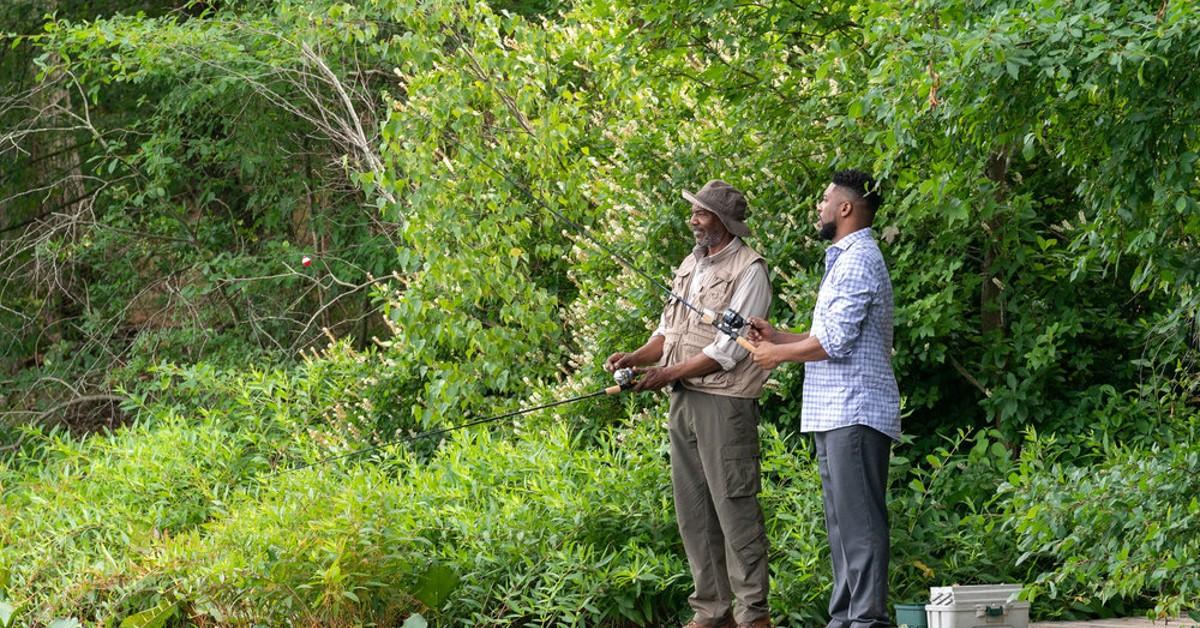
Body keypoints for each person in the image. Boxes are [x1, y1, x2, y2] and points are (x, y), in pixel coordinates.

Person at [604, 180, 773, 628]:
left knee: (735, 510)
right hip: (683, 402)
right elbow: (667, 333)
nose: (693, 220)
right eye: (694, 212)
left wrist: (667, 375)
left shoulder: (750, 269)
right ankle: (711, 613)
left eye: (700, 213)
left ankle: (752, 615)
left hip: (724, 405)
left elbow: (730, 349)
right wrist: (635, 359)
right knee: (693, 512)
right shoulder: (690, 264)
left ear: (723, 221)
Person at [747, 169, 900, 628]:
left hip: (855, 409)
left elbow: (834, 343)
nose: (819, 206)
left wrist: (777, 354)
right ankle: (844, 617)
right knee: (841, 526)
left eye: (825, 198)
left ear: (846, 208)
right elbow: (825, 335)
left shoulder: (859, 260)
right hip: (834, 410)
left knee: (860, 522)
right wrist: (778, 335)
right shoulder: (844, 259)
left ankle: (867, 619)